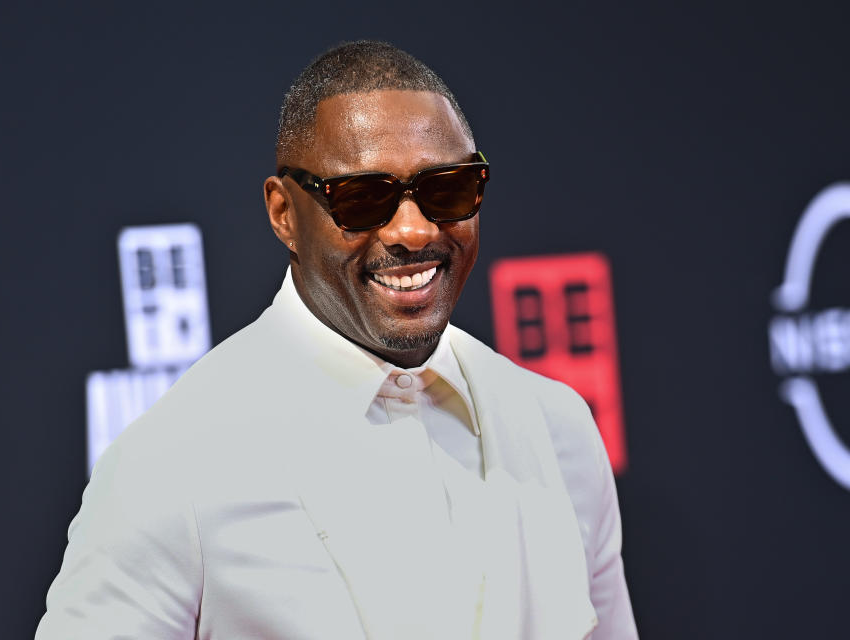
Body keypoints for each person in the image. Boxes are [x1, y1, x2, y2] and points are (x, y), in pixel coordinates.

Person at [36, 40, 638, 639]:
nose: (413, 228)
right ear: (283, 213)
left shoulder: (558, 431)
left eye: (448, 189)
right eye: (363, 199)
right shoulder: (173, 467)